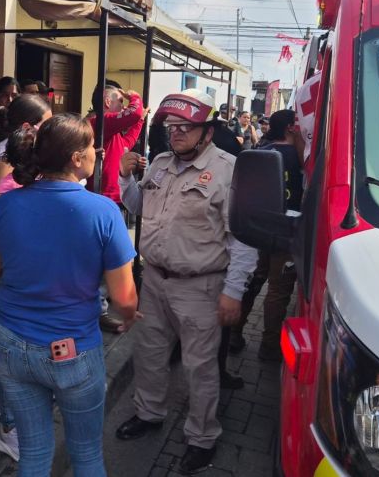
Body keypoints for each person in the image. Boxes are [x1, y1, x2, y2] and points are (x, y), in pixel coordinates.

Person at [0, 114, 140, 476]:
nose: (96, 154)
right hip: (73, 349)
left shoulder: (7, 204)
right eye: (90, 148)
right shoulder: (103, 211)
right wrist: (130, 316)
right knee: (85, 455)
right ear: (74, 158)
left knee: (34, 452)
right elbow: (124, 299)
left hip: (11, 343)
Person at [114, 92, 258, 473]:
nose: (175, 134)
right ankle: (149, 413)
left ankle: (202, 437)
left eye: (185, 128)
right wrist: (125, 175)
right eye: (170, 127)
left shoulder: (229, 171)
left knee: (199, 366)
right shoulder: (160, 164)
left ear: (207, 132)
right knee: (148, 353)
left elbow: (242, 240)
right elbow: (137, 206)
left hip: (201, 287)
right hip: (155, 281)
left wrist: (233, 292)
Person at [0, 93, 53, 461]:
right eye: (47, 121)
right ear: (30, 127)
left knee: (0, 333)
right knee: (7, 342)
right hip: (8, 263)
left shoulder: (12, 153)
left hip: (7, 260)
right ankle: (4, 415)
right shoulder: (11, 162)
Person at [229, 110, 303, 360]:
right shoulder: (300, 157)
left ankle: (234, 333)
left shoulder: (263, 149)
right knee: (278, 290)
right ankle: (269, 347)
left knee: (253, 281)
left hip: (260, 227)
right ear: (291, 128)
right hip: (288, 229)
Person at [87, 83, 146, 332]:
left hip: (114, 200)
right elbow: (133, 114)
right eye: (118, 100)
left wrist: (141, 116)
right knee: (103, 260)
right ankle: (98, 309)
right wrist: (134, 96)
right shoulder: (97, 121)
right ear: (106, 101)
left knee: (113, 258)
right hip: (101, 200)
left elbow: (132, 133)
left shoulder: (112, 132)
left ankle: (106, 299)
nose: (122, 104)